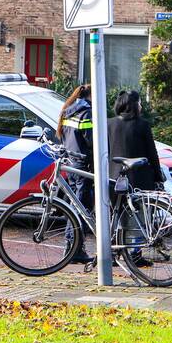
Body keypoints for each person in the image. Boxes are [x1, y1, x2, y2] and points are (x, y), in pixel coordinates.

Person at [57, 84, 95, 264]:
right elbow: (91, 141)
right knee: (80, 209)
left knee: (77, 207)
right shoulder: (86, 113)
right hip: (82, 166)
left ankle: (75, 248)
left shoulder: (68, 111)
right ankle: (72, 248)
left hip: (71, 163)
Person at [107, 90, 164, 191]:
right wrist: (158, 177)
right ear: (136, 105)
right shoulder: (143, 124)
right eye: (140, 103)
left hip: (114, 178)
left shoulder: (109, 124)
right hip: (140, 180)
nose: (141, 107)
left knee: (116, 206)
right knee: (141, 206)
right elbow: (152, 154)